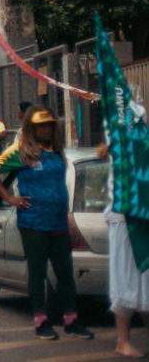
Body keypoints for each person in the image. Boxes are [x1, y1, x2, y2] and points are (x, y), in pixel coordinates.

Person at [0, 107, 93, 341]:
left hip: (58, 221)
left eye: (48, 125)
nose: (45, 129)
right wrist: (9, 198)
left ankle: (71, 320)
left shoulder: (57, 151)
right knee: (38, 272)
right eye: (40, 126)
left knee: (65, 273)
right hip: (33, 222)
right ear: (31, 128)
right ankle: (41, 321)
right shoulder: (20, 151)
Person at [100, 142, 149, 357]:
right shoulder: (122, 156)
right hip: (125, 222)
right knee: (126, 279)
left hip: (142, 222)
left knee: (146, 282)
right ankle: (122, 341)